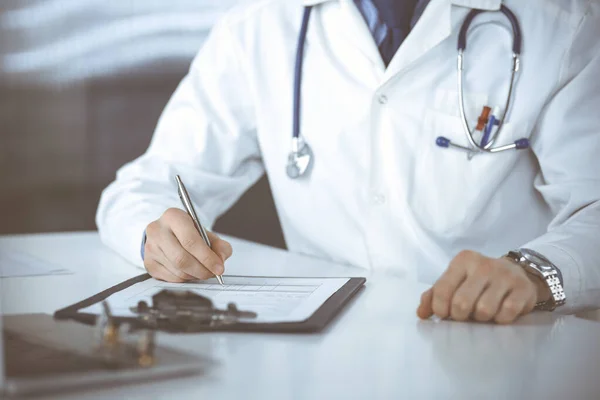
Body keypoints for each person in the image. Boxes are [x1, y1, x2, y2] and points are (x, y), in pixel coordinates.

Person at [96, 0, 600, 324]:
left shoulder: (562, 23)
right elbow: (144, 187)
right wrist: (155, 236)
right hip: (325, 353)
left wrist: (536, 273)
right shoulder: (260, 26)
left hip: (499, 347)